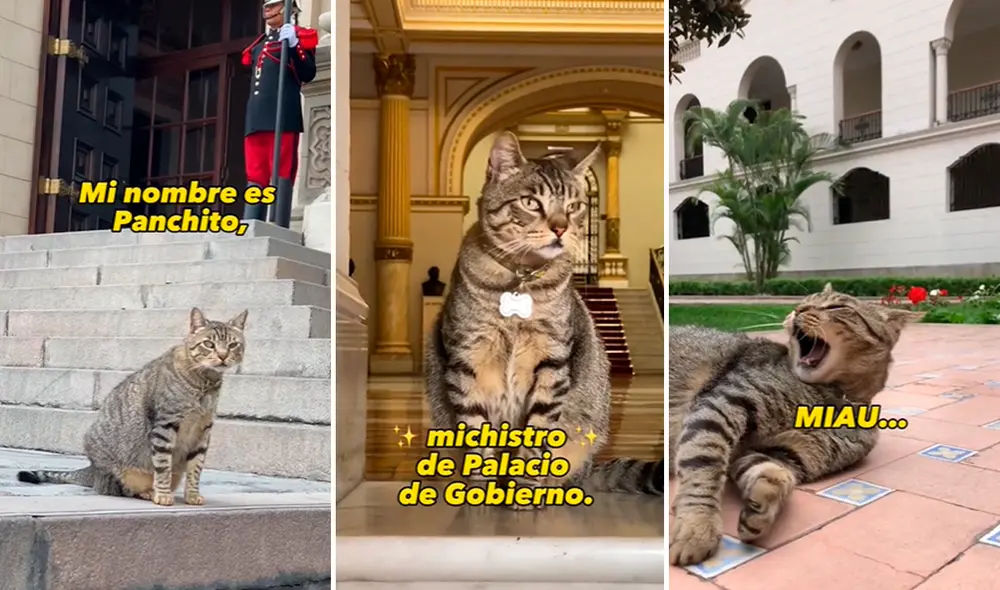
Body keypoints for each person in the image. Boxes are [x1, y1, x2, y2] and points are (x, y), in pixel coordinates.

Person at [241, 0, 319, 228]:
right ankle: (252, 221)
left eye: (274, 4)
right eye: (266, 4)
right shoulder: (261, 42)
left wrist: (295, 46)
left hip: (281, 113)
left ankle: (278, 222)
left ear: (287, 9)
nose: (267, 9)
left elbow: (307, 73)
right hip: (256, 116)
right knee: (256, 172)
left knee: (282, 169)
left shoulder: (300, 36)